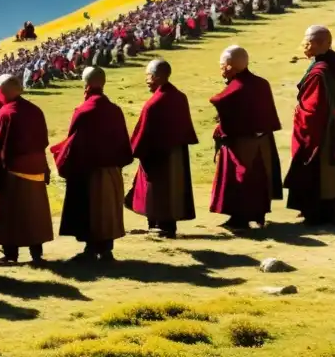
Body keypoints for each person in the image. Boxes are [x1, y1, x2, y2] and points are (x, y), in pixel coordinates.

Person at [51, 67, 133, 263]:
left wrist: (60, 154)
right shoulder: (115, 110)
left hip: (88, 171)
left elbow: (74, 141)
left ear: (86, 85)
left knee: (90, 209)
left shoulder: (82, 111)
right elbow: (123, 141)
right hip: (111, 169)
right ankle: (106, 250)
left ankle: (90, 248)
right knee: (107, 209)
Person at [284, 26, 335, 225]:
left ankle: (316, 213)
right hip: (334, 123)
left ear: (324, 43)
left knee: (317, 166)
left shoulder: (319, 72)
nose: (304, 46)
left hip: (320, 129)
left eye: (309, 42)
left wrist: (299, 114)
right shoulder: (334, 62)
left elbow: (313, 109)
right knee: (332, 167)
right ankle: (325, 210)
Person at [209, 46, 283, 230]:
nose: (221, 70)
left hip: (241, 143)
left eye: (221, 66)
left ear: (228, 67)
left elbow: (220, 101)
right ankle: (259, 214)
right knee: (260, 178)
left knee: (240, 177)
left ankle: (239, 219)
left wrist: (220, 129)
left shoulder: (234, 91)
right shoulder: (262, 83)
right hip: (264, 140)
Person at [124, 60, 198, 238]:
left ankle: (159, 224)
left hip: (157, 155)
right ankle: (167, 225)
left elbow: (143, 133)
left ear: (157, 77)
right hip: (177, 153)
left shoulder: (154, 104)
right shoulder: (180, 97)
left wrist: (131, 152)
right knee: (174, 188)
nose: (146, 80)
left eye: (148, 77)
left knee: (157, 190)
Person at [0, 73, 53, 266]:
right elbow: (43, 141)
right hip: (37, 168)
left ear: (1, 93)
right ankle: (36, 253)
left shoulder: (7, 113)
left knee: (10, 213)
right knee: (34, 212)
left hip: (14, 172)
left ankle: (10, 254)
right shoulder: (35, 110)